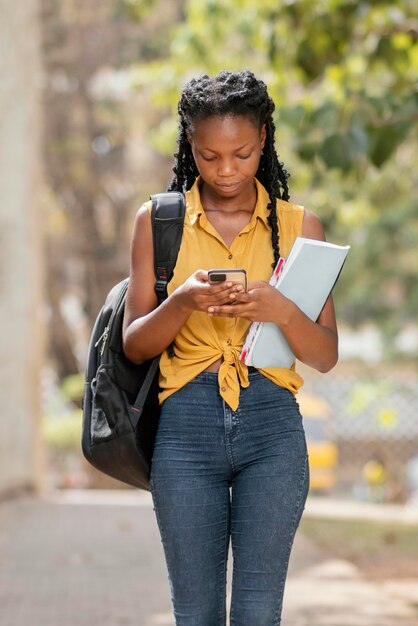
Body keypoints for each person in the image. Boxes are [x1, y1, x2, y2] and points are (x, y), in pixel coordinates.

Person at [123, 69, 338, 626]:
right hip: (185, 432)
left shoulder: (299, 227)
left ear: (264, 137)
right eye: (208, 155)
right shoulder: (158, 221)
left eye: (240, 154)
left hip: (273, 429)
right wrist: (184, 302)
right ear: (188, 143)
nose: (224, 171)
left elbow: (324, 355)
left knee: (258, 613)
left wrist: (280, 309)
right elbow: (135, 346)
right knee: (195, 616)